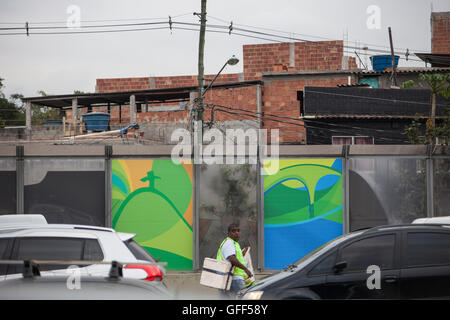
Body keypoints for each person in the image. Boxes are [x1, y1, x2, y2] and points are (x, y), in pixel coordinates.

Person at [216, 223, 253, 298]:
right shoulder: (229, 243)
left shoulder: (233, 243)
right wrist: (246, 269)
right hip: (235, 279)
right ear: (228, 233)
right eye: (233, 231)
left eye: (238, 231)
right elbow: (232, 258)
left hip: (228, 278)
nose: (237, 233)